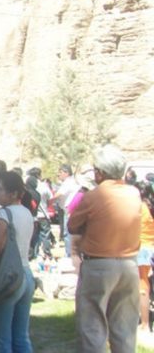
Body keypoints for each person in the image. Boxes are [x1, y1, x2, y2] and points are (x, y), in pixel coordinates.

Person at [68, 144, 141, 353]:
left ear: (99, 172)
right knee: (125, 328)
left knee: (92, 326)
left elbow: (72, 225)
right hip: (129, 264)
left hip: (98, 264)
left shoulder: (94, 196)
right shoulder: (134, 194)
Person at [0, 171, 35, 353]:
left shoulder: (4, 214)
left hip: (7, 275)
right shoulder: (27, 212)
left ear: (13, 193)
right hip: (26, 274)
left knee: (1, 339)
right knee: (21, 337)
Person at [137, 181, 154, 333]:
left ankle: (145, 324)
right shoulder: (150, 206)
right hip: (151, 247)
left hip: (142, 248)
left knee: (142, 287)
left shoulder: (140, 208)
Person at [52, 163, 79, 257]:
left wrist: (48, 201)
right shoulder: (69, 182)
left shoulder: (68, 182)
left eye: (60, 172)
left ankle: (69, 255)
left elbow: (58, 194)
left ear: (66, 173)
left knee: (67, 233)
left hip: (70, 211)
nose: (58, 174)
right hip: (68, 210)